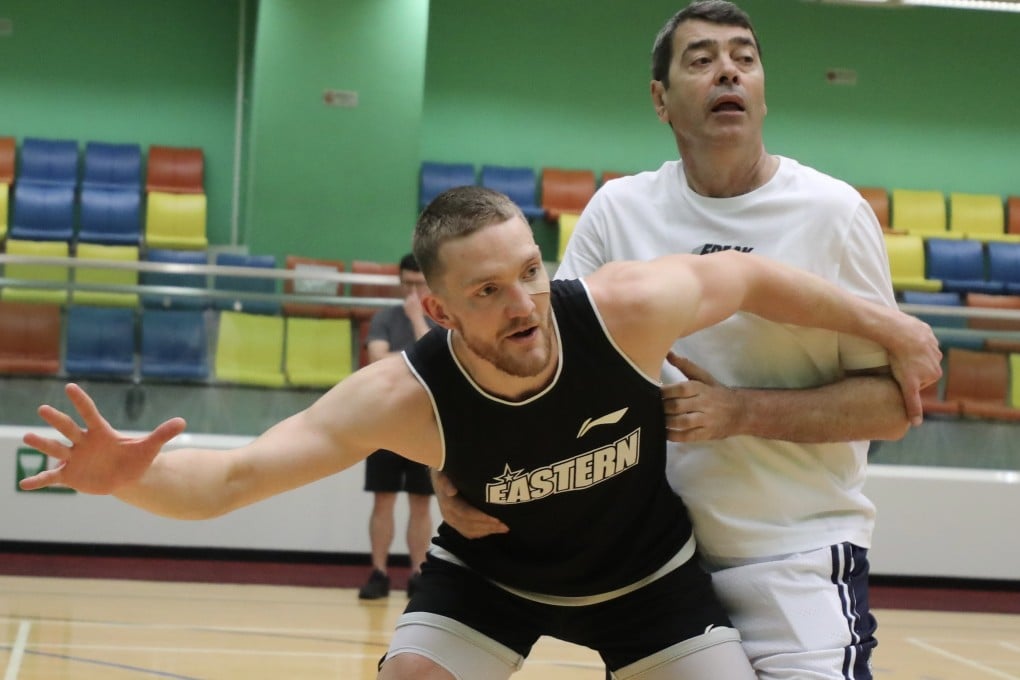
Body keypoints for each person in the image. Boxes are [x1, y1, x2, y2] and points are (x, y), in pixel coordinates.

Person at [19, 187, 939, 680]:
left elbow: (748, 281)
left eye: (529, 272)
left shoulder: (617, 312)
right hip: (492, 583)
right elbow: (231, 481)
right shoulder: (403, 395)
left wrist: (891, 326)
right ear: (437, 306)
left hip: (646, 583)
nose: (524, 305)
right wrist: (122, 478)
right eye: (488, 292)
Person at [436, 3, 911, 679]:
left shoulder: (832, 214)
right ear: (660, 99)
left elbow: (894, 405)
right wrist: (452, 459)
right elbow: (543, 372)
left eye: (745, 58)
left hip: (793, 553)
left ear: (763, 90)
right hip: (651, 566)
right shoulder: (619, 210)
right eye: (702, 58)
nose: (729, 71)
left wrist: (740, 413)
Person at [359, 253, 437, 600]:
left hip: (424, 423)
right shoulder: (384, 317)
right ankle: (378, 571)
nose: (412, 288)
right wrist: (414, 356)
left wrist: (417, 319)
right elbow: (377, 358)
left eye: (419, 282)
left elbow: (436, 360)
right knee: (383, 499)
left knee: (422, 501)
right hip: (384, 422)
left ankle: (419, 572)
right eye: (407, 281)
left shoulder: (441, 320)